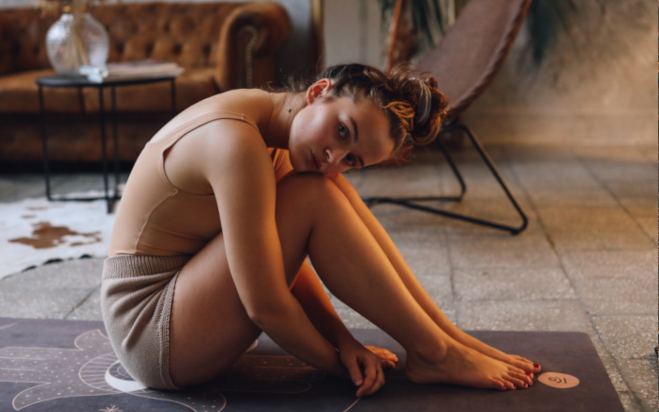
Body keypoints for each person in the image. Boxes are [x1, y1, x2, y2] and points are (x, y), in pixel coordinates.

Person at [101, 63, 540, 398]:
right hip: (151, 331)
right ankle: (435, 352)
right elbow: (266, 303)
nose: (334, 159)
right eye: (342, 131)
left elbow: (271, 258)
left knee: (324, 188)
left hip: (187, 299)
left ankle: (444, 338)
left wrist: (343, 338)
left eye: (353, 160)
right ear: (318, 92)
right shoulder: (234, 142)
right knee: (315, 193)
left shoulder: (275, 130)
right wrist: (337, 363)